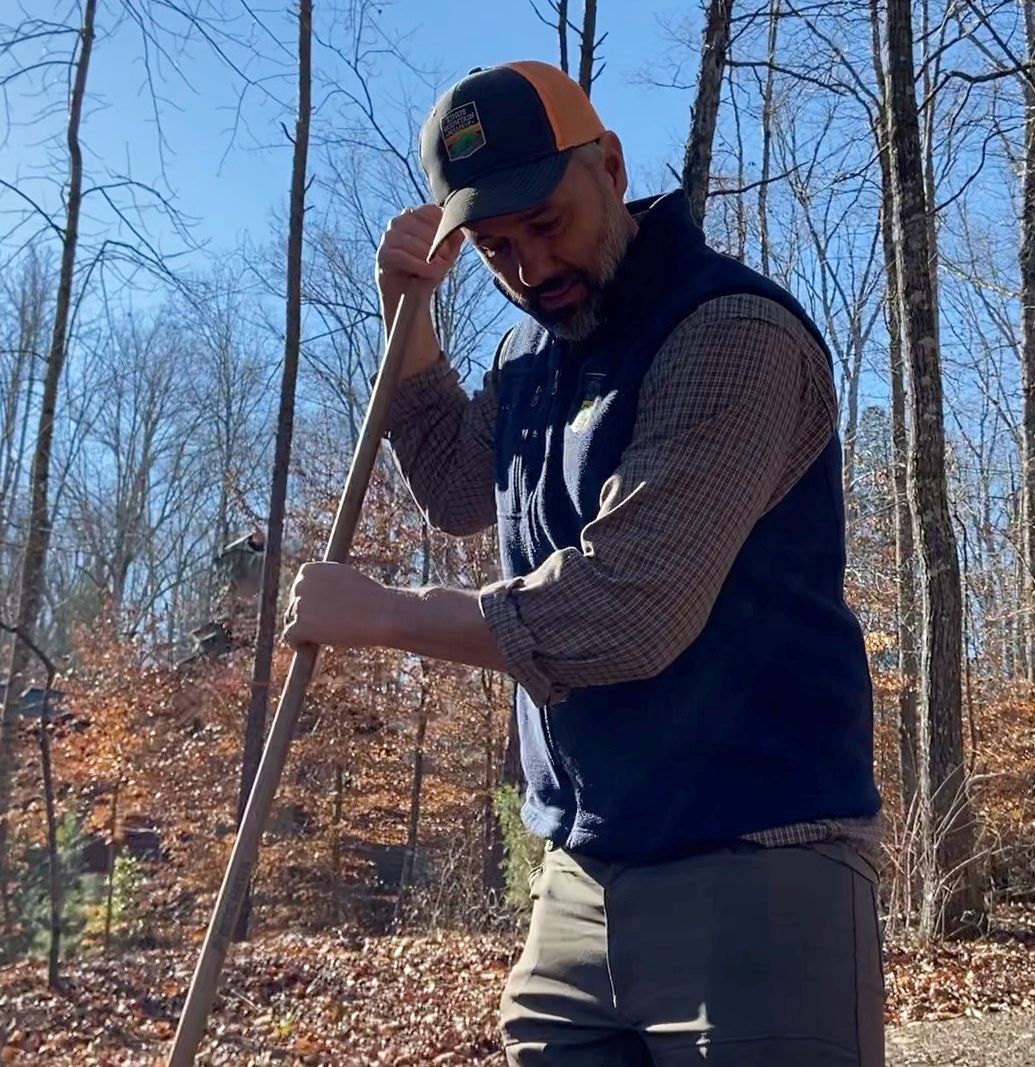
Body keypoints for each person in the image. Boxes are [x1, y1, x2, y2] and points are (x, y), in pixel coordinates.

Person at [284, 60, 885, 1066]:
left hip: (758, 867)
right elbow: (457, 488)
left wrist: (383, 613)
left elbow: (624, 612)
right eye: (493, 245)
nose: (527, 266)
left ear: (607, 164)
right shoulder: (534, 360)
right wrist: (408, 316)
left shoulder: (732, 332)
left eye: (545, 222)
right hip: (576, 879)